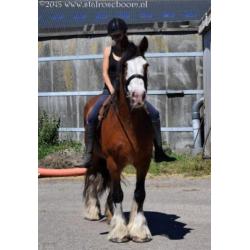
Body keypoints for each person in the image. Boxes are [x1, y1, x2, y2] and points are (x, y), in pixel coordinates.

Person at [77, 18, 175, 168]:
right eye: (113, 36)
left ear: (125, 33)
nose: (116, 38)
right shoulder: (108, 51)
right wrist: (112, 90)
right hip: (109, 91)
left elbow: (138, 68)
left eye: (118, 35)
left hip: (129, 92)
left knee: (154, 113)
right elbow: (104, 73)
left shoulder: (133, 50)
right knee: (91, 116)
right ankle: (89, 154)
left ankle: (159, 151)